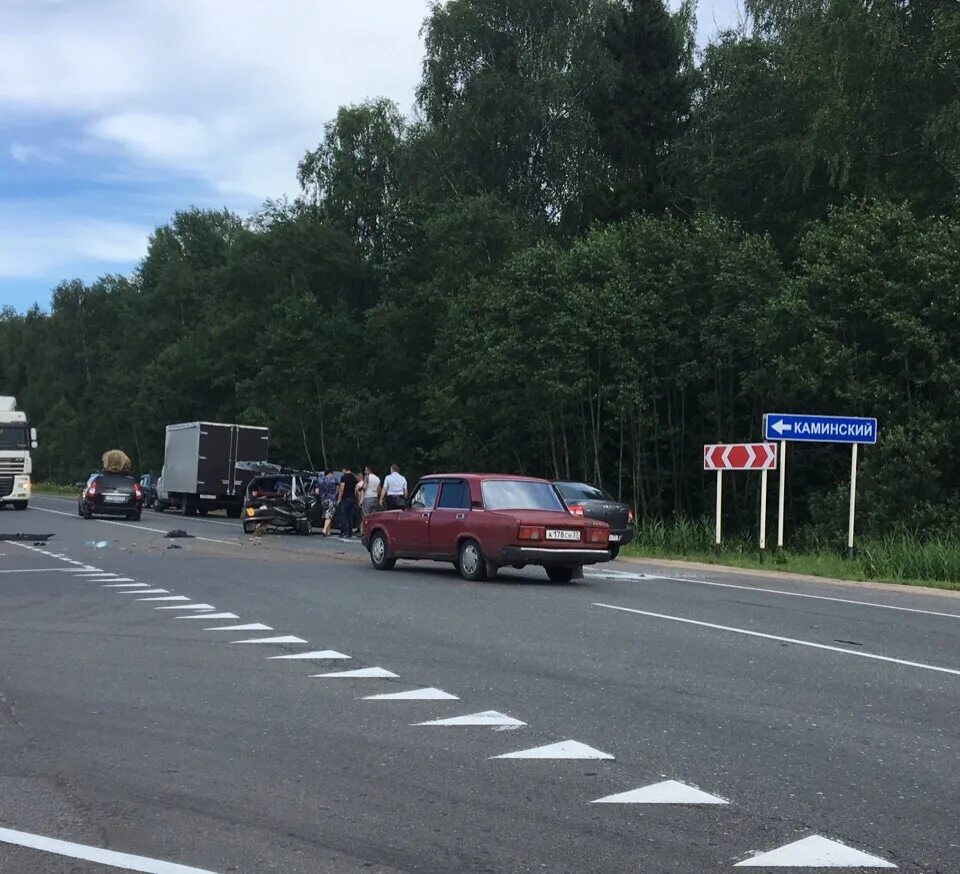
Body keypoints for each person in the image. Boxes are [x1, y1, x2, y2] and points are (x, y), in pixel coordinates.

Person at [337, 465, 359, 539]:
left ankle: (344, 532)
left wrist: (339, 499)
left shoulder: (344, 477)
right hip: (352, 498)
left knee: (343, 515)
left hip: (345, 498)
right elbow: (356, 490)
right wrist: (356, 498)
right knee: (350, 516)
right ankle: (350, 532)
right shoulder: (354, 478)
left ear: (344, 469)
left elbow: (342, 488)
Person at [317, 470, 338, 536]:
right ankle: (324, 530)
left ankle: (328, 532)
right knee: (329, 515)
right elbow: (338, 487)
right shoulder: (334, 480)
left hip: (323, 499)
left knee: (327, 514)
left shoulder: (320, 480)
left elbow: (316, 491)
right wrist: (335, 494)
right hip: (331, 499)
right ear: (330, 473)